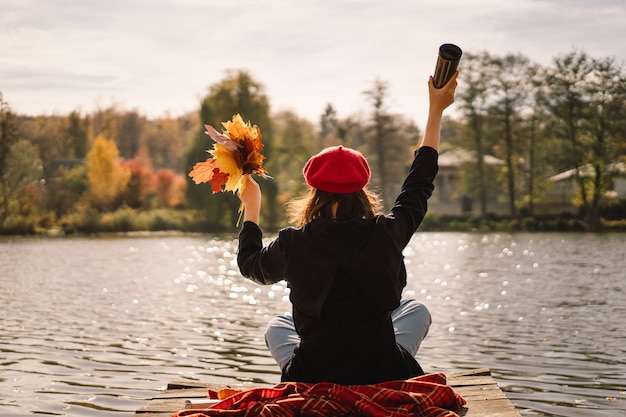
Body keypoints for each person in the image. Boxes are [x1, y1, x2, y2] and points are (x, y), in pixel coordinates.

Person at [236, 70, 458, 385]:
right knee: (416, 310)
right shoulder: (387, 234)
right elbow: (419, 183)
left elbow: (250, 265)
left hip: (312, 376)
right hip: (381, 372)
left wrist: (252, 206)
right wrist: (436, 109)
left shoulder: (292, 243)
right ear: (361, 189)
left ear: (314, 191)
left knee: (277, 327)